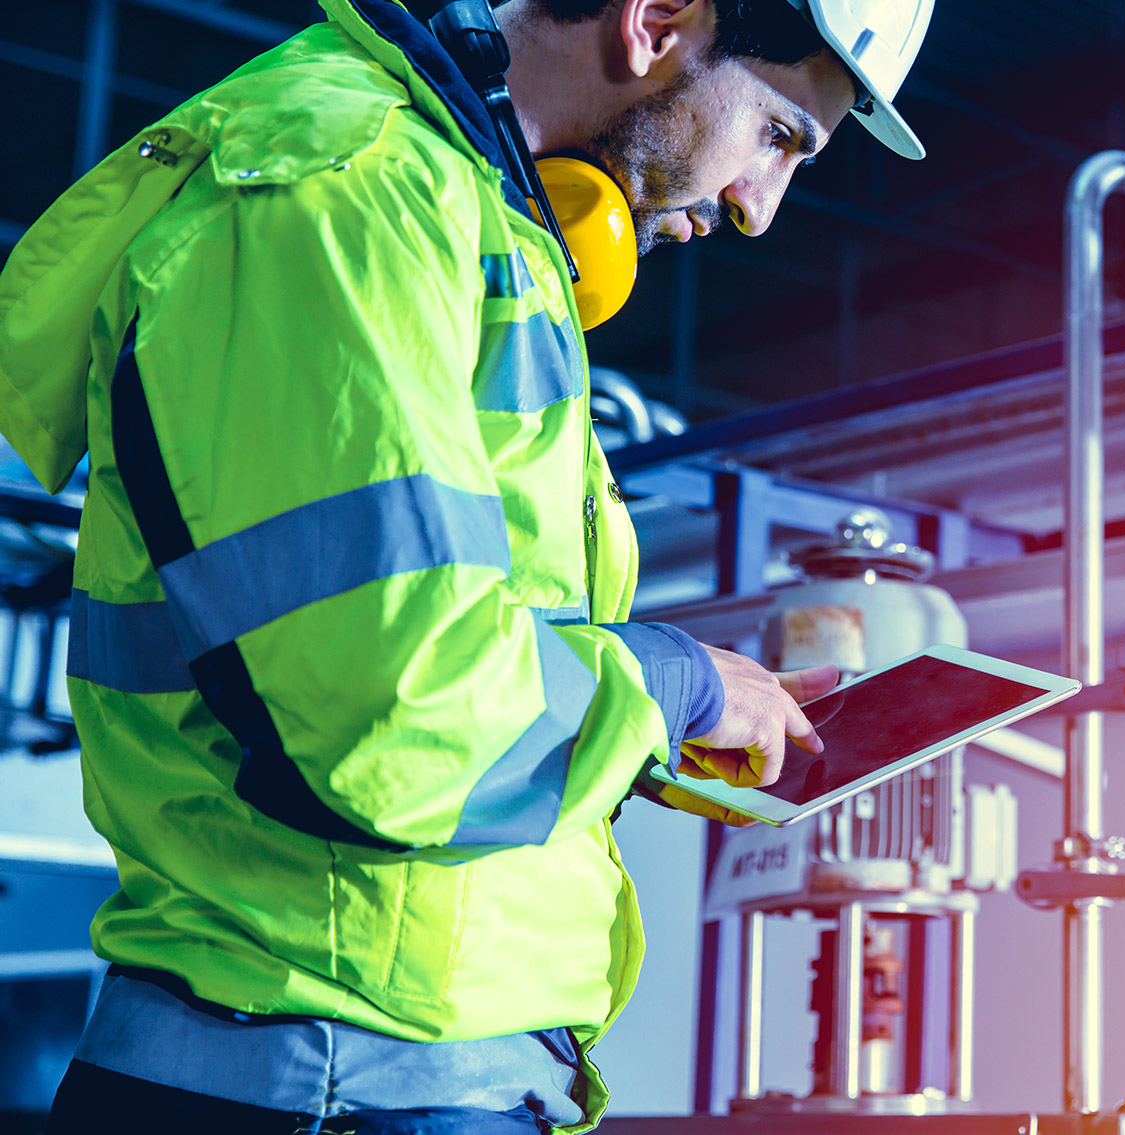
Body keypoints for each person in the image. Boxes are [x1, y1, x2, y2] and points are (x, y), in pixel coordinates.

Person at [0, 0, 932, 1130]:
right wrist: (668, 681)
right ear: (659, 20)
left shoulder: (468, 226)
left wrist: (644, 734)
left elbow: (408, 669)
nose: (757, 206)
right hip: (321, 1079)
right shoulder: (335, 198)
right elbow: (390, 708)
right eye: (779, 134)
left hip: (378, 1070)